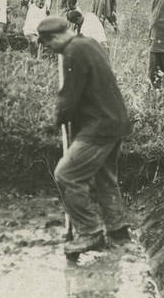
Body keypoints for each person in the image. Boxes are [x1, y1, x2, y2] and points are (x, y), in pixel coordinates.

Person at [36, 16, 133, 256]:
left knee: (66, 175)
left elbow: (69, 97)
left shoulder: (73, 52)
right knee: (105, 177)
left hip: (98, 126)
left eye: (48, 45)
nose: (50, 50)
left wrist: (56, 120)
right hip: (115, 120)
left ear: (57, 37)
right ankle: (118, 231)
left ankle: (90, 232)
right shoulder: (89, 43)